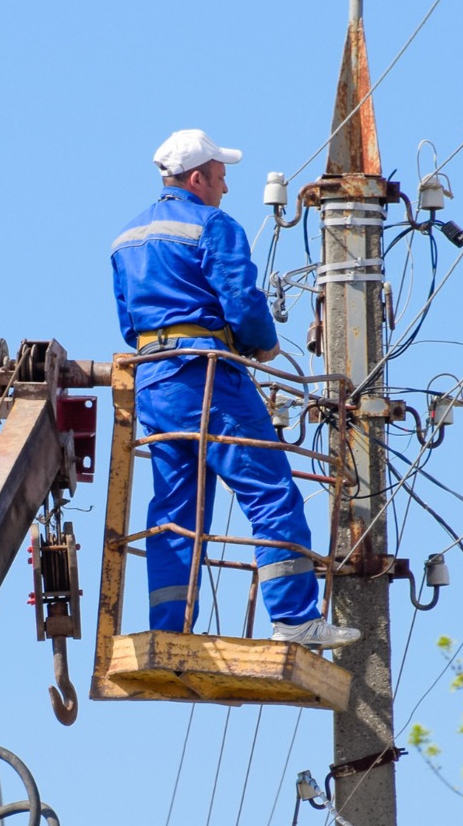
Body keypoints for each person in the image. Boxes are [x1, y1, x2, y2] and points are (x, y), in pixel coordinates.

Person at [110, 129, 360, 650]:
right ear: (197, 178)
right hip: (208, 377)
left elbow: (128, 324)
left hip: (153, 381)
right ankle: (294, 618)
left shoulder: (126, 238)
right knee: (270, 489)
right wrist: (263, 345)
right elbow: (243, 303)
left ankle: (169, 629)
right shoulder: (212, 225)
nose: (225, 189)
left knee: (176, 511)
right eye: (221, 178)